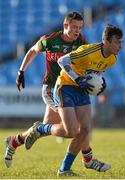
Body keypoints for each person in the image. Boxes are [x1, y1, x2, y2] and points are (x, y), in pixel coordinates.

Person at [24, 24, 123, 176]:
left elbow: (94, 75)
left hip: (81, 90)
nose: (120, 45)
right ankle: (40, 129)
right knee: (70, 131)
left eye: (121, 42)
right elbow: (62, 61)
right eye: (117, 42)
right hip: (65, 86)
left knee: (85, 130)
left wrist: (100, 86)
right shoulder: (88, 51)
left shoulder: (112, 59)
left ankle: (65, 169)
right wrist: (78, 79)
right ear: (106, 41)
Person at [4, 11, 88, 168]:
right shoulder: (51, 40)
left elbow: (86, 60)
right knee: (74, 126)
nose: (77, 31)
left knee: (45, 127)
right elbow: (32, 51)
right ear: (65, 25)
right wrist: (21, 72)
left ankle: (14, 142)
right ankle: (88, 159)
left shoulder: (81, 41)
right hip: (51, 89)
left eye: (80, 27)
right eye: (74, 27)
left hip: (66, 89)